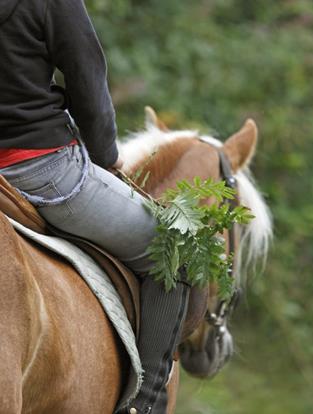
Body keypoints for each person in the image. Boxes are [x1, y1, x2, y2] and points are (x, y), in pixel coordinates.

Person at [0, 0, 189, 413]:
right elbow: (86, 74)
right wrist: (106, 154)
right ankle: (149, 401)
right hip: (43, 171)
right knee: (175, 248)